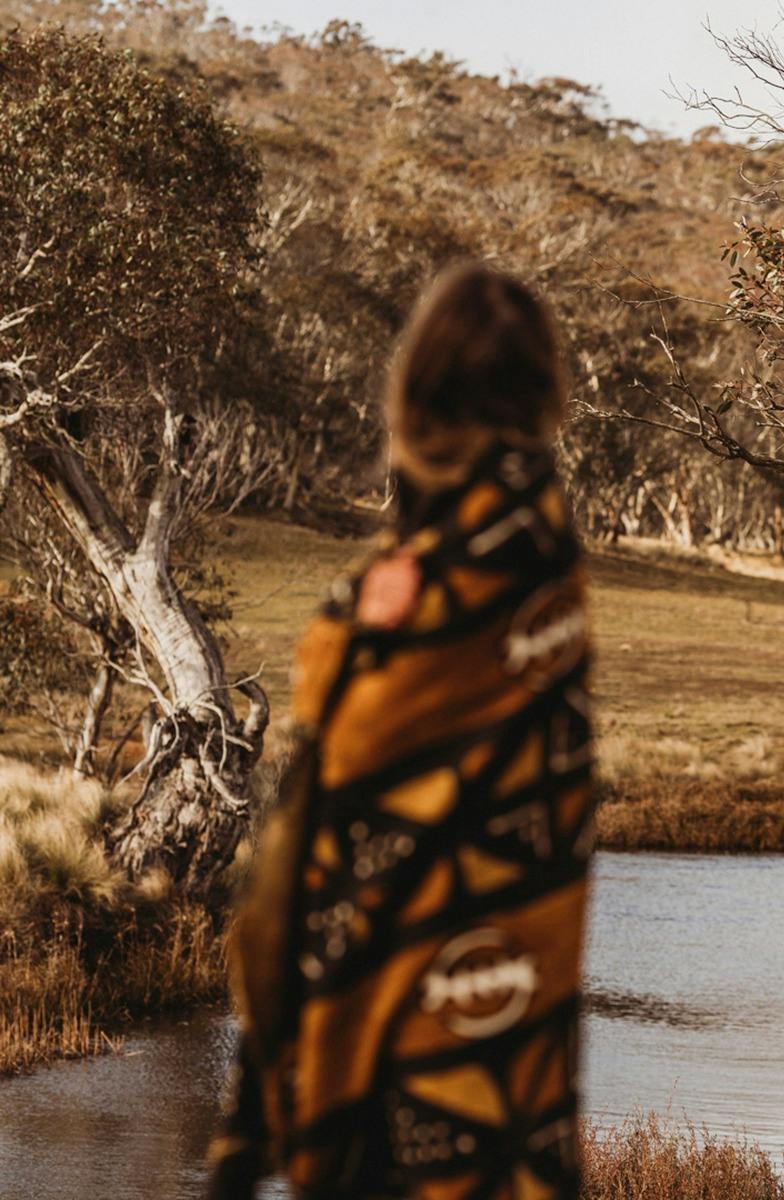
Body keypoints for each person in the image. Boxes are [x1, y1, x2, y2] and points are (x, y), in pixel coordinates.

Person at [208, 264, 595, 1200]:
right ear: (544, 404)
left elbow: (300, 855)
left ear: (411, 404)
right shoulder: (552, 577)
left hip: (384, 1070)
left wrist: (247, 1127)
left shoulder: (392, 602)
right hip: (521, 1086)